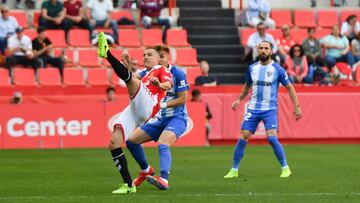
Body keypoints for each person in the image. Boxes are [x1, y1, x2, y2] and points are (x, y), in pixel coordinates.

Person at [97, 32, 172, 194]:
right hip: (135, 107)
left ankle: (106, 53)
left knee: (132, 81)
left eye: (149, 54)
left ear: (158, 59)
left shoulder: (161, 69)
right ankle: (128, 185)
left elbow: (168, 85)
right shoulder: (145, 73)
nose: (145, 57)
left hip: (149, 104)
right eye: (144, 54)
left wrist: (159, 84)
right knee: (114, 142)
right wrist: (128, 67)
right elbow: (128, 78)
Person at [224, 41, 302, 179]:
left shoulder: (277, 69)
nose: (263, 50)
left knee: (272, 137)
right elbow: (247, 86)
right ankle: (234, 170)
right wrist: (239, 100)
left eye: (266, 48)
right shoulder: (252, 68)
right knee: (243, 136)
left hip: (269, 109)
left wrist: (297, 107)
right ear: (258, 50)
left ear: (271, 51)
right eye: (261, 48)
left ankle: (285, 168)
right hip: (253, 108)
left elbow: (290, 87)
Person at [125, 45, 188, 190]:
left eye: (162, 57)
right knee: (131, 142)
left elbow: (183, 99)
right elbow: (131, 79)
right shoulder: (149, 71)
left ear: (164, 57)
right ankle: (146, 170)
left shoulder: (177, 73)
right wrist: (127, 67)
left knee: (163, 143)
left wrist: (162, 105)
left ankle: (164, 179)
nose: (159, 60)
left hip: (177, 118)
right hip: (160, 119)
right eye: (145, 55)